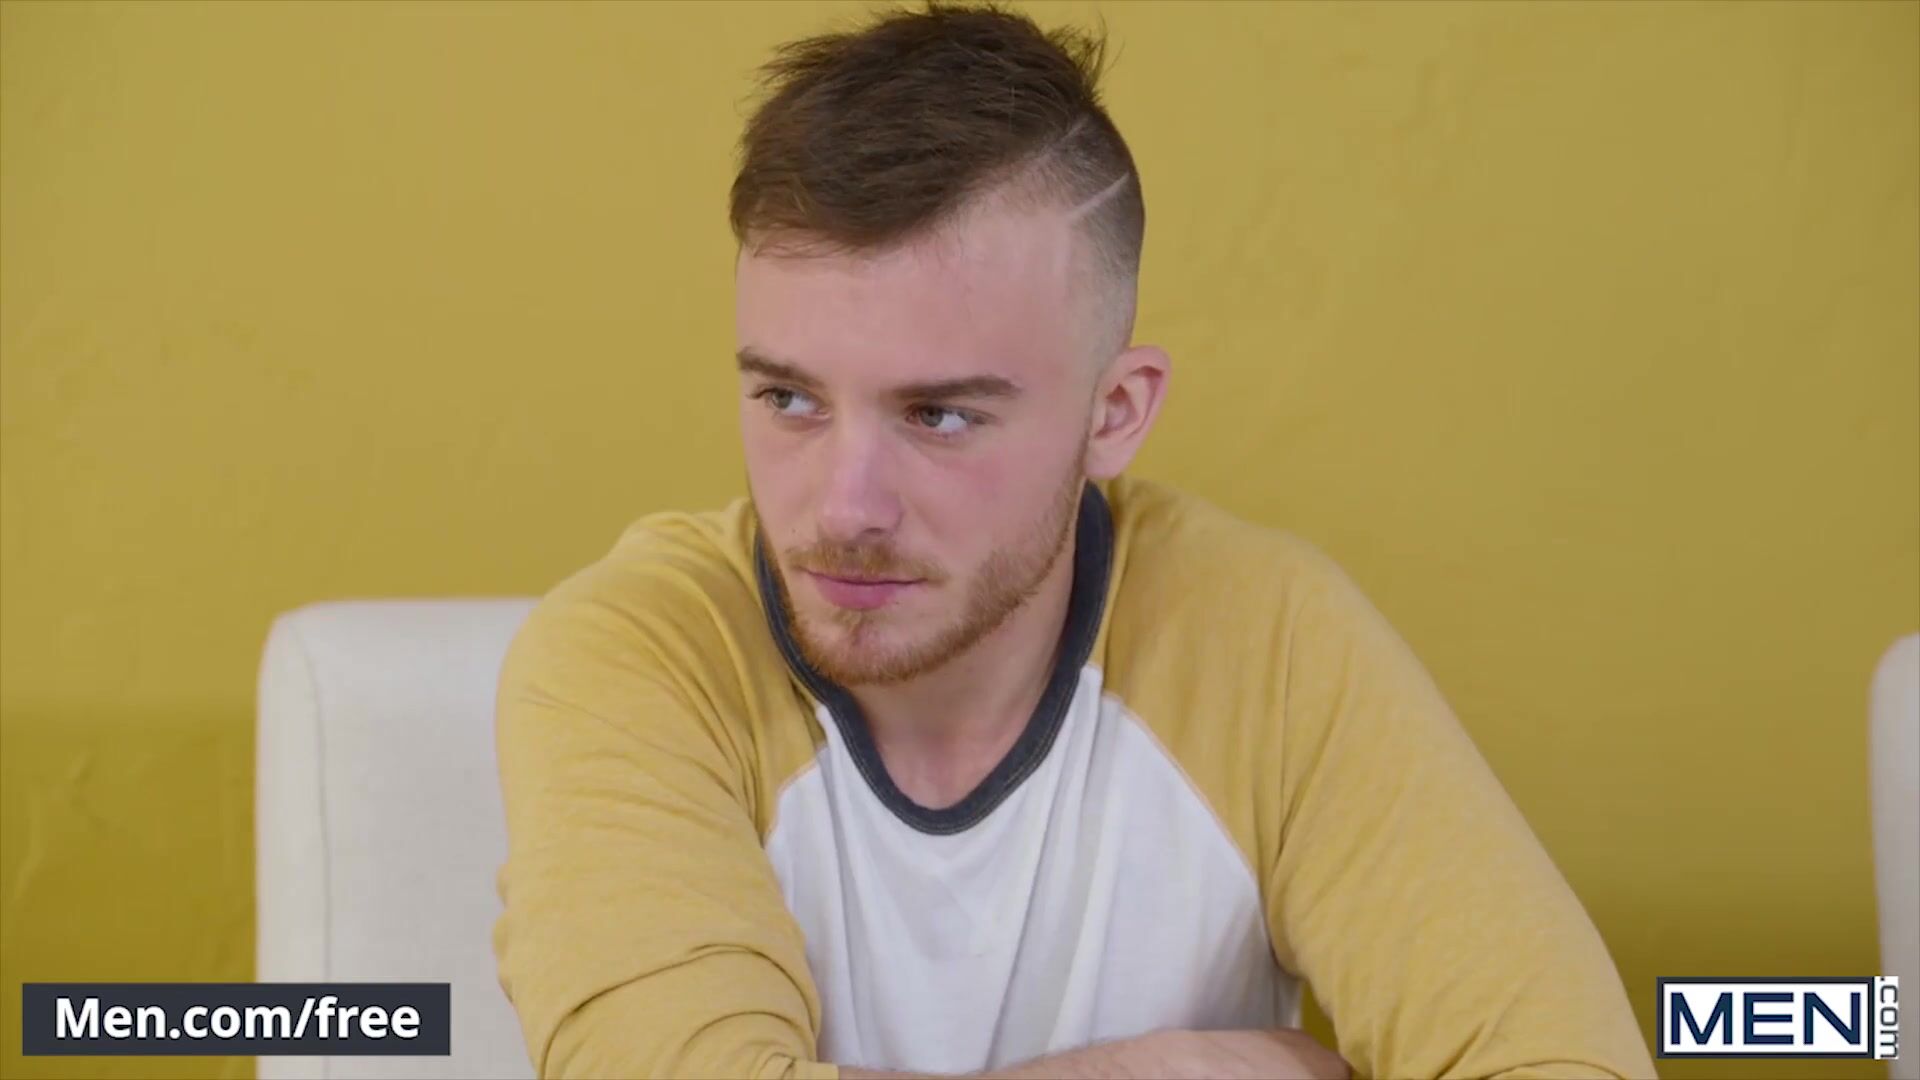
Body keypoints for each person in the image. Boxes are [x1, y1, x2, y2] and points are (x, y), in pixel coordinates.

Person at [491, 4, 1654, 1077]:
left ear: (1116, 414)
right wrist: (1170, 1071)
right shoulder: (638, 653)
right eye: (789, 400)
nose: (843, 507)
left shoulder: (1264, 641)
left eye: (940, 416)